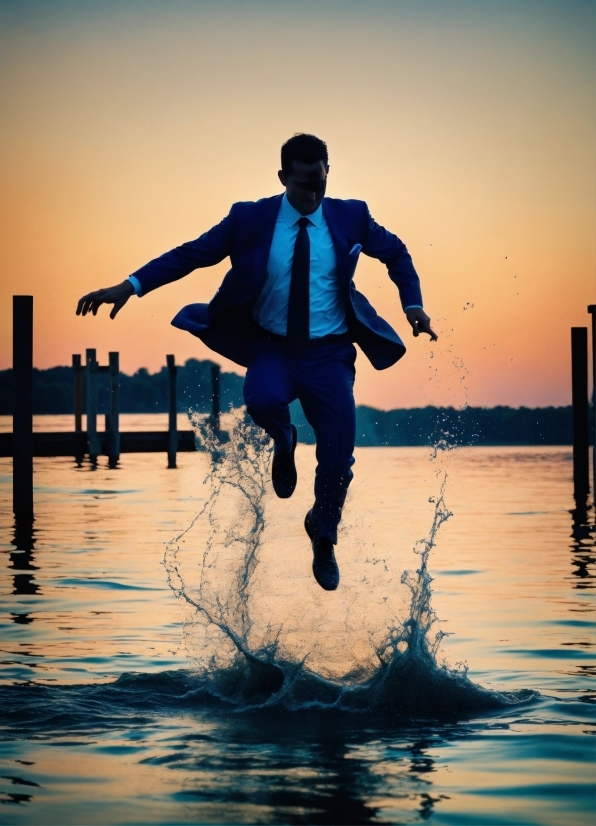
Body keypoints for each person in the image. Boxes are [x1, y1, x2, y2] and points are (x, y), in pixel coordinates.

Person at [77, 133, 437, 592]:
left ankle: (323, 533)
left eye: (321, 182)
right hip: (273, 347)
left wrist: (412, 305)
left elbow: (396, 253)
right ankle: (284, 439)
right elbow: (191, 254)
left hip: (329, 354)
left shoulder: (351, 215)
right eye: (304, 183)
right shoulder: (249, 219)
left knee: (338, 456)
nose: (313, 193)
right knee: (263, 400)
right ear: (283, 176)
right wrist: (130, 285)